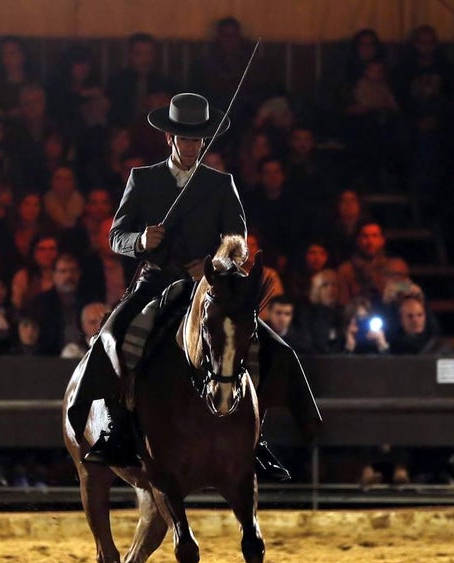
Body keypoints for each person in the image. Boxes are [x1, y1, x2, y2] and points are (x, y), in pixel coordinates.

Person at [74, 93, 319, 479]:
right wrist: (140, 241)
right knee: (114, 335)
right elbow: (115, 236)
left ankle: (258, 440)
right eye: (185, 139)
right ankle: (113, 428)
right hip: (155, 281)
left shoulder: (221, 183)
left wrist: (212, 265)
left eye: (197, 140)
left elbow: (237, 240)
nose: (191, 147)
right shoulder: (143, 178)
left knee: (267, 344)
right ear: (169, 139)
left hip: (209, 284)